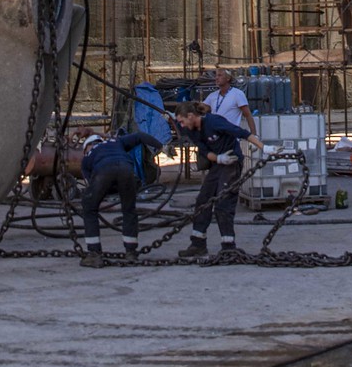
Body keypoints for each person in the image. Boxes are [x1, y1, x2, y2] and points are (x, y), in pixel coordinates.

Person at [172, 101, 261, 257]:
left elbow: (241, 133)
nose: (181, 125)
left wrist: (263, 147)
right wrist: (218, 158)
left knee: (223, 202)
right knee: (203, 200)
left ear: (191, 116)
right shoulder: (192, 130)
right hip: (218, 164)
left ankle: (228, 246)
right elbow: (205, 152)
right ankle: (198, 244)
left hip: (232, 163)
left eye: (182, 121)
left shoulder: (214, 122)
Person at [78, 127, 165, 266]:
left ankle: (94, 254)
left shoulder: (87, 158)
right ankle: (130, 252)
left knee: (89, 208)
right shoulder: (116, 142)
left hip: (103, 171)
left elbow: (91, 185)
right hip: (127, 170)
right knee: (129, 209)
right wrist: (162, 146)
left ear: (88, 147)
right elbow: (140, 135)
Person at [202, 67, 255, 134]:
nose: (216, 78)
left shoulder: (237, 94)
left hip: (231, 137)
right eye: (216, 76)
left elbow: (248, 115)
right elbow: (202, 109)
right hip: (216, 137)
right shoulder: (212, 96)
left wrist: (254, 135)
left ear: (228, 78)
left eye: (220, 75)